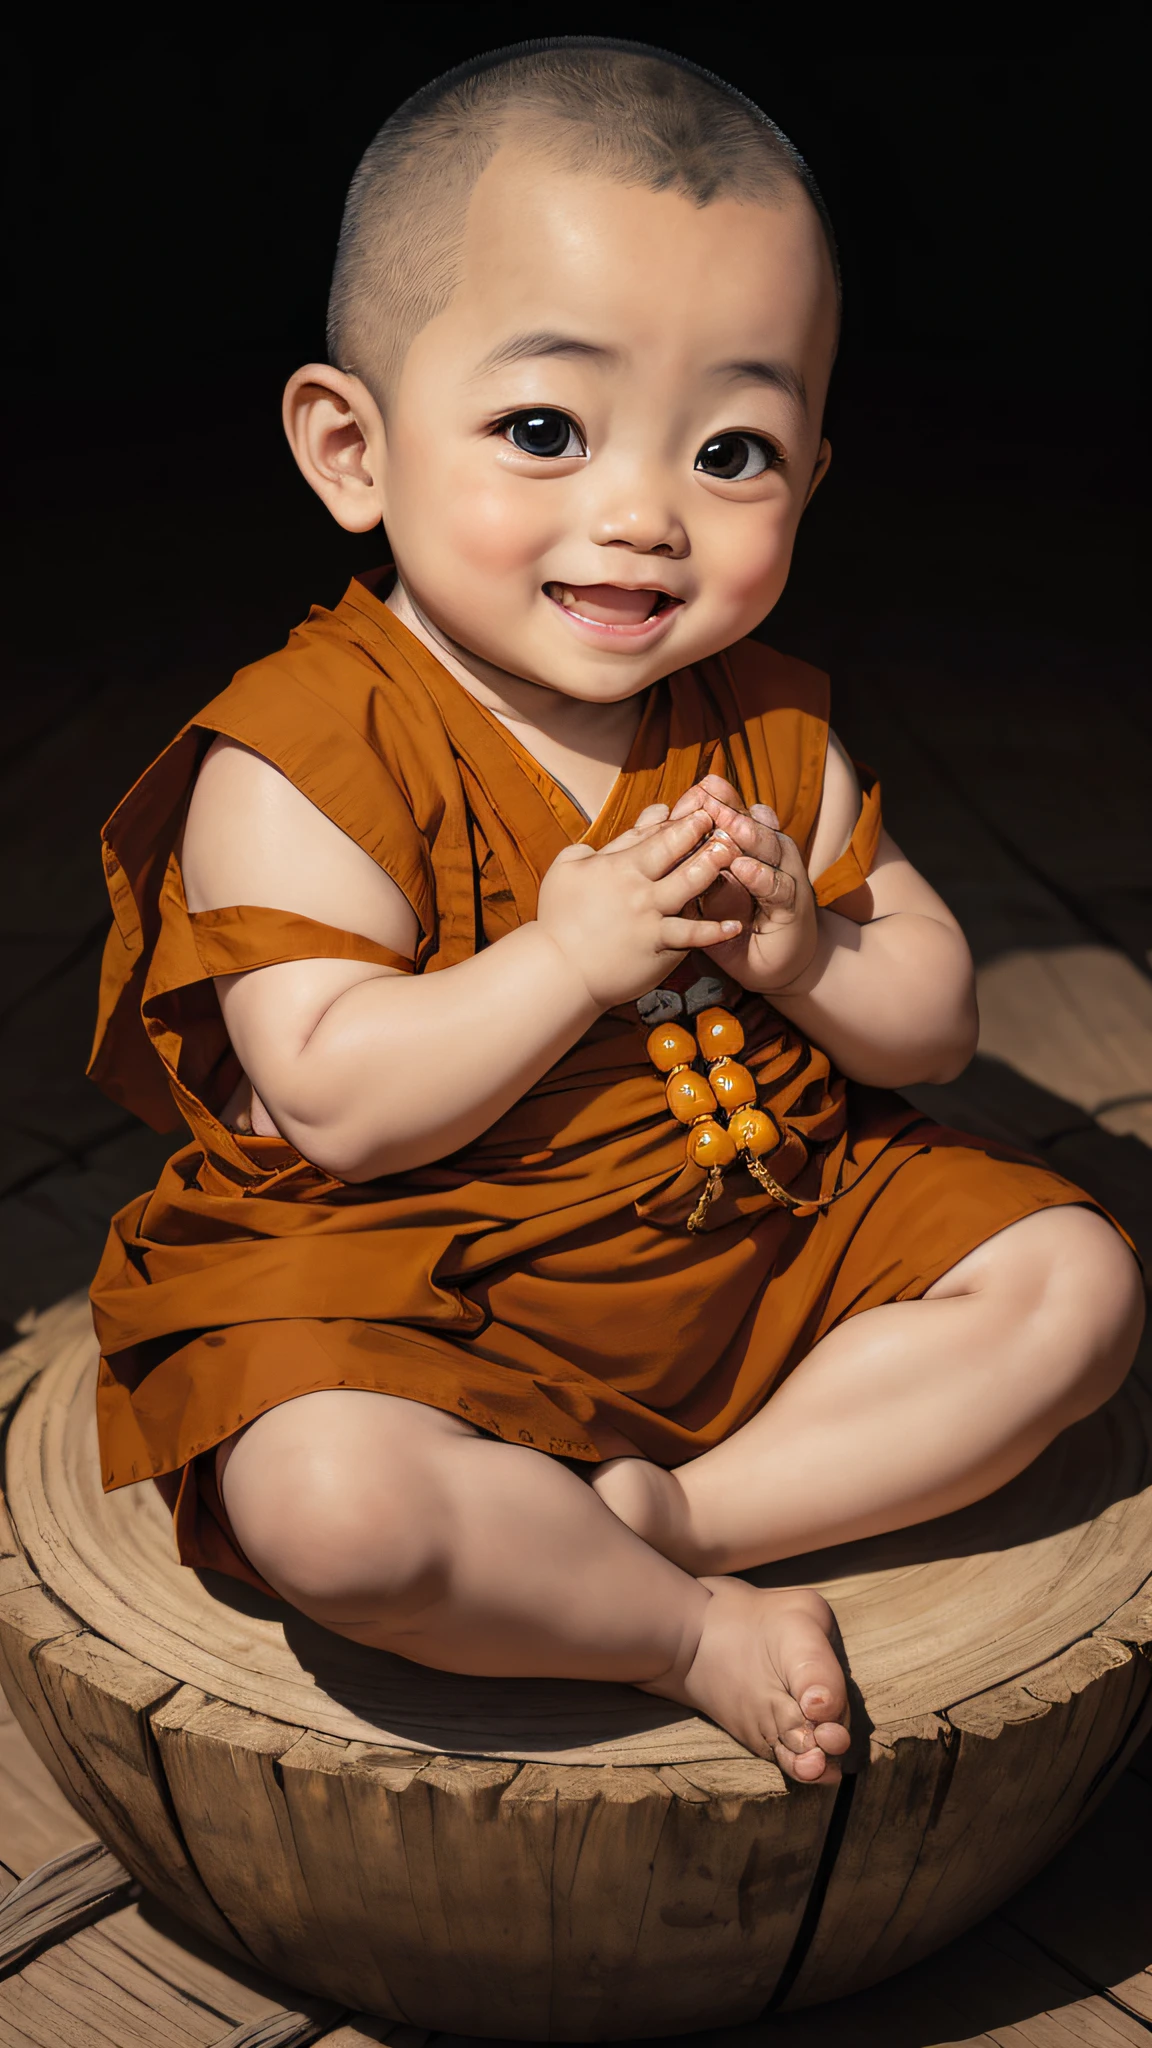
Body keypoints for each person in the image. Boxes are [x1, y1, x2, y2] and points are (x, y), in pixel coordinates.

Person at [89, 39, 1142, 1784]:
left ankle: (676, 1514)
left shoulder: (764, 723)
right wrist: (563, 960)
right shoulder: (299, 752)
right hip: (431, 1279)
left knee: (1078, 1289)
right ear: (352, 448)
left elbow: (938, 1010)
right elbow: (337, 1097)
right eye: (542, 429)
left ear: (809, 478)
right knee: (331, 1507)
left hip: (770, 1224)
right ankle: (685, 1628)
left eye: (731, 447)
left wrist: (808, 951)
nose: (643, 513)